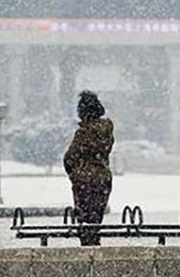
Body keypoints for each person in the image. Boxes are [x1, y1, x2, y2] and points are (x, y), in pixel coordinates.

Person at [63, 91, 114, 246]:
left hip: (84, 180)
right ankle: (94, 246)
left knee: (84, 219)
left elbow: (69, 157)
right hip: (103, 178)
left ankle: (88, 252)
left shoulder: (84, 133)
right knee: (96, 217)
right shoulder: (107, 131)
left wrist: (74, 173)